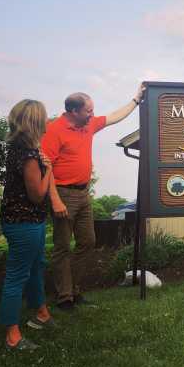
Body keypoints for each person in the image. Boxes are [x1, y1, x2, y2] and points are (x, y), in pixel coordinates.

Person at [41, 84, 144, 310]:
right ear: (73, 111)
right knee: (62, 247)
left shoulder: (87, 125)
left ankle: (74, 290)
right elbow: (45, 167)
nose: (92, 115)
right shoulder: (54, 130)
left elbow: (115, 116)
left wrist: (136, 99)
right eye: (89, 111)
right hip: (62, 193)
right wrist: (55, 199)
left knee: (88, 242)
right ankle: (64, 298)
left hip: (83, 193)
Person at [0, 100, 54, 351]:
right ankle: (12, 336)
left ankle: (41, 314)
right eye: (43, 119)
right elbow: (37, 195)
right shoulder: (30, 156)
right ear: (34, 122)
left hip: (30, 221)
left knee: (36, 266)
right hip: (24, 222)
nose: (46, 124)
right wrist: (49, 169)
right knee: (18, 275)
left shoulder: (19, 149)